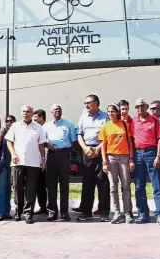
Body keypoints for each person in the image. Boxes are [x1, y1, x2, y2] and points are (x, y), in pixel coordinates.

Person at [5, 105, 47, 224]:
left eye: (28, 111)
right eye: (23, 111)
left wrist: (43, 159)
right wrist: (13, 154)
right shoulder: (15, 126)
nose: (25, 113)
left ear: (32, 113)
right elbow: (9, 141)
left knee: (31, 188)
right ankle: (18, 212)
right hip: (17, 162)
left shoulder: (38, 127)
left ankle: (28, 213)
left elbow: (41, 144)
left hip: (33, 162)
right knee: (17, 187)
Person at [132, 98, 160, 225]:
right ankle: (143, 214)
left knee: (156, 185)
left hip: (151, 153)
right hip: (137, 154)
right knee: (139, 186)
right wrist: (131, 158)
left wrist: (159, 156)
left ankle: (159, 214)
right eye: (137, 107)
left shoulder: (155, 120)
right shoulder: (133, 121)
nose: (140, 109)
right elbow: (130, 140)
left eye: (142, 106)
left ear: (147, 106)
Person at [76, 94, 110, 222]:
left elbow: (107, 136)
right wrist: (85, 148)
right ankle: (86, 212)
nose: (86, 105)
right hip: (87, 151)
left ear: (96, 103)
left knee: (103, 183)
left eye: (89, 103)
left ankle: (104, 213)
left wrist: (99, 148)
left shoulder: (105, 116)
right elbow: (79, 135)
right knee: (87, 183)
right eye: (85, 103)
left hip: (101, 151)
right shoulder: (83, 117)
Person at [100, 104, 135, 224]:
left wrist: (131, 159)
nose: (110, 113)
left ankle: (127, 213)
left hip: (124, 158)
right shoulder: (105, 127)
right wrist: (104, 161)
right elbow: (103, 146)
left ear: (117, 112)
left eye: (113, 111)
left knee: (125, 185)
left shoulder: (124, 124)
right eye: (109, 111)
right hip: (111, 158)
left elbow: (130, 142)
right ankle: (116, 212)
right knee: (113, 187)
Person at [43, 104, 76, 221]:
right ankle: (52, 211)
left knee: (64, 185)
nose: (57, 110)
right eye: (55, 109)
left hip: (64, 155)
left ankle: (64, 212)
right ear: (51, 111)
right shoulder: (46, 126)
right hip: (51, 155)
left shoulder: (68, 124)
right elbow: (43, 141)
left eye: (59, 109)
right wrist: (48, 144)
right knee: (51, 184)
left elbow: (74, 142)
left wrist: (68, 155)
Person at [0, 115, 16, 221]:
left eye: (11, 121)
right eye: (7, 121)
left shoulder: (18, 132)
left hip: (14, 164)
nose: (9, 123)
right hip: (3, 164)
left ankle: (7, 211)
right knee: (1, 188)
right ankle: (1, 212)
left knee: (9, 189)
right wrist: (1, 133)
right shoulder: (1, 132)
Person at [32, 109, 49, 215]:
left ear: (41, 117)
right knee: (39, 185)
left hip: (47, 160)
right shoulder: (34, 128)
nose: (33, 120)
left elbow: (46, 143)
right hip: (35, 161)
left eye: (35, 117)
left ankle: (50, 207)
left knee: (47, 185)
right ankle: (42, 206)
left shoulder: (47, 128)